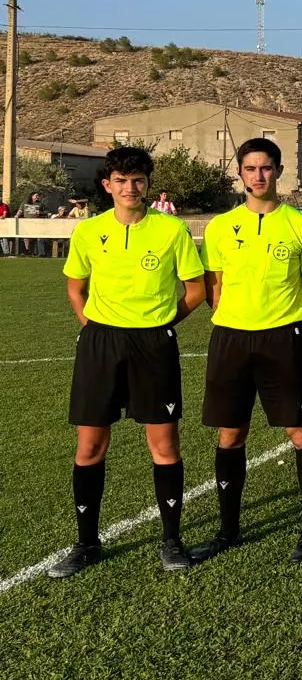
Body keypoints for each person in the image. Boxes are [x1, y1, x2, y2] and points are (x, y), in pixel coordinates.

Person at [48, 146, 206, 578]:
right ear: (107, 185)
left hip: (153, 346)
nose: (129, 188)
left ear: (148, 184)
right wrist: (95, 326)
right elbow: (75, 288)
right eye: (120, 180)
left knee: (164, 446)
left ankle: (172, 540)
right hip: (100, 344)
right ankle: (86, 543)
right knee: (90, 447)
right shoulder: (88, 232)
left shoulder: (171, 231)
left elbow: (195, 289)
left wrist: (161, 323)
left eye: (137, 180)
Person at [190, 138, 302, 564]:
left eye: (266, 168)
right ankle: (228, 530)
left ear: (279, 170)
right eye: (250, 168)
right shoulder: (218, 227)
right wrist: (242, 320)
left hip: (281, 339)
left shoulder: (300, 225)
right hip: (230, 339)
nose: (258, 176)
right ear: (240, 172)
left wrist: (282, 326)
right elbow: (214, 289)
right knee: (230, 433)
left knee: (300, 432)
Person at [19, 191, 45, 256]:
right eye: (36, 195)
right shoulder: (24, 203)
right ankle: (26, 252)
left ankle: (39, 253)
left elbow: (47, 212)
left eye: (38, 196)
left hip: (37, 224)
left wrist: (41, 212)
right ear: (32, 196)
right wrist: (16, 216)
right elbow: (20, 211)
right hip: (26, 223)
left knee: (37, 238)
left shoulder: (40, 204)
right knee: (26, 238)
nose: (38, 197)